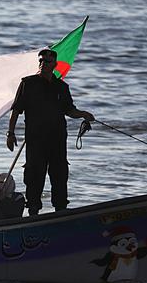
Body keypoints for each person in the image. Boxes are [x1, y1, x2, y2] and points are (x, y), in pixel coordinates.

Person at [6, 48, 94, 215]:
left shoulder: (62, 87)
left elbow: (70, 110)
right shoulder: (28, 84)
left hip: (57, 140)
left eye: (47, 61)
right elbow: (16, 110)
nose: (42, 64)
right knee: (34, 177)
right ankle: (33, 212)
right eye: (40, 60)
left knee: (60, 177)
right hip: (35, 140)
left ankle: (60, 211)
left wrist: (84, 114)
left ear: (55, 64)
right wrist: (10, 134)